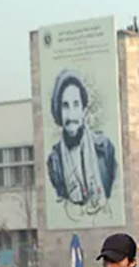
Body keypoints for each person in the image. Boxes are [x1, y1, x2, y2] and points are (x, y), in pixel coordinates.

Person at [46, 69, 117, 206]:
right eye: (65, 106)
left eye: (76, 105)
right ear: (59, 114)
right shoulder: (54, 162)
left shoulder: (105, 148)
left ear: (84, 111)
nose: (71, 114)